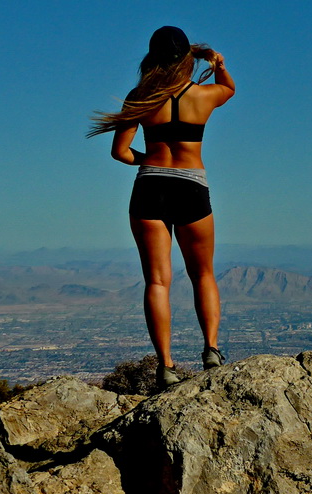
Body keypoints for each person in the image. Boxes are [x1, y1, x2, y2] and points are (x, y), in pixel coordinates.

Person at [89, 26, 235, 389]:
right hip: (191, 188)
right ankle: (212, 350)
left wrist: (149, 161)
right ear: (187, 57)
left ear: (152, 58)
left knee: (157, 280)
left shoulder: (140, 97)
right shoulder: (203, 97)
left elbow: (120, 153)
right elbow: (230, 88)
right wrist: (216, 62)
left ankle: (167, 365)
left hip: (149, 187)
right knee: (203, 273)